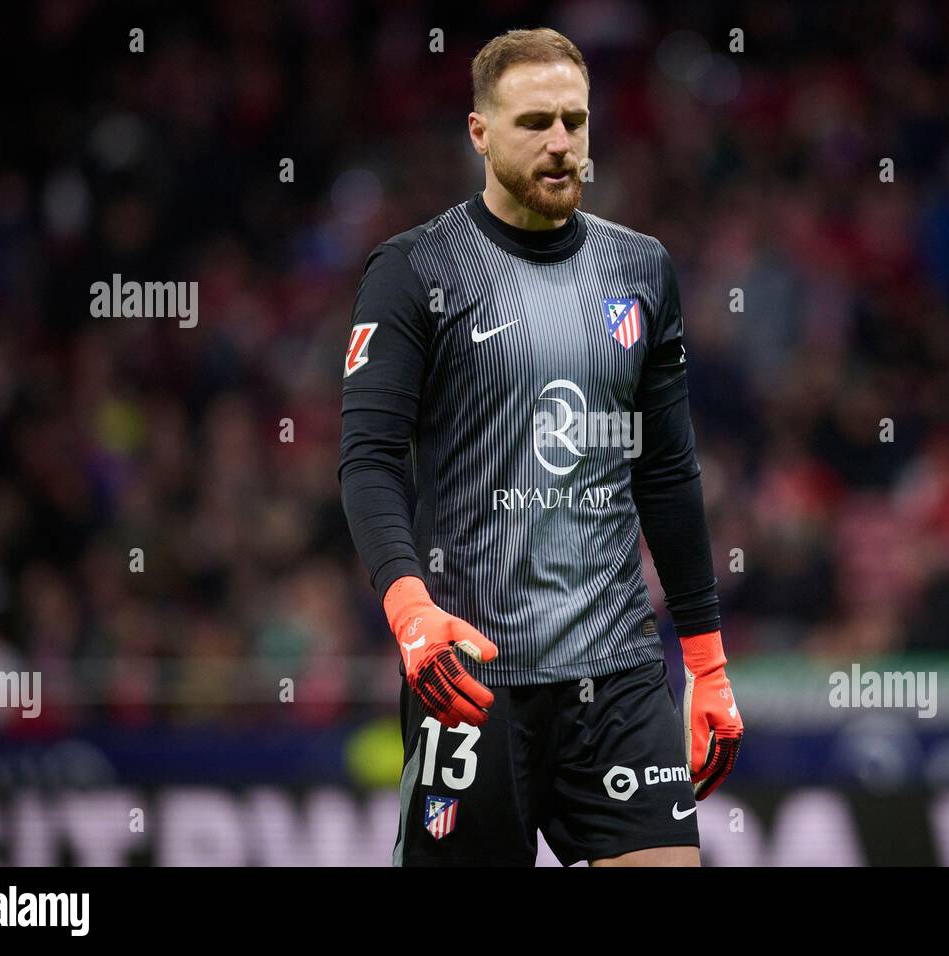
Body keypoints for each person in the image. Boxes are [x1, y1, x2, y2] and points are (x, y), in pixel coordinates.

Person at [339, 27, 742, 867]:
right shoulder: (415, 270)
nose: (561, 145)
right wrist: (409, 610)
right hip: (473, 677)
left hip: (621, 671)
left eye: (574, 121)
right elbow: (370, 460)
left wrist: (706, 663)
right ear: (480, 133)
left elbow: (666, 473)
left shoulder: (641, 269)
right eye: (534, 124)